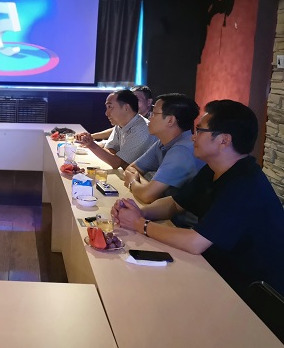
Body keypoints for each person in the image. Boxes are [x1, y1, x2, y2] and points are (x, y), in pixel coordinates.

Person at [112, 100, 284, 298]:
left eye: (200, 130)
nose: (193, 137)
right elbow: (174, 204)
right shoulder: (213, 169)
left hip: (252, 292)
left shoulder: (245, 184)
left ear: (224, 140)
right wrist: (138, 212)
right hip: (218, 270)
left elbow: (195, 242)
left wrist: (139, 223)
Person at [124, 93, 205, 204]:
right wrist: (146, 188)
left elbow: (147, 196)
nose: (150, 117)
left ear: (170, 120)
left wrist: (133, 182)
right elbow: (132, 168)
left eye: (154, 113)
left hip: (181, 215)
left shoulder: (182, 150)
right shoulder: (163, 142)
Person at [76, 89, 156, 170]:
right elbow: (111, 149)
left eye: (110, 107)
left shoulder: (142, 129)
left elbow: (116, 163)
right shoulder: (121, 123)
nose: (106, 113)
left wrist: (91, 144)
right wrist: (91, 143)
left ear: (126, 108)